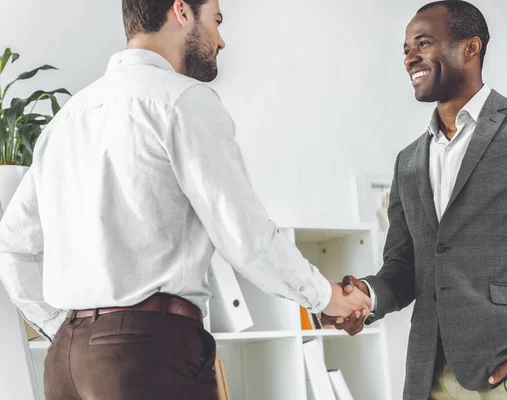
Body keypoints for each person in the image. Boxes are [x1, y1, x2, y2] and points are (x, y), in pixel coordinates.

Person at [0, 0, 370, 399]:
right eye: (216, 21)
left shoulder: (67, 120)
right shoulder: (180, 100)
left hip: (65, 364)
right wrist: (328, 297)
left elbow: (14, 246)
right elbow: (245, 237)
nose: (221, 40)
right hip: (148, 357)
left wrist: (64, 327)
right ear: (181, 10)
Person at [324, 1, 507, 399]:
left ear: (470, 48)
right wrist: (365, 297)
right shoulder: (409, 161)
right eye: (405, 49)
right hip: (428, 376)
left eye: (423, 42)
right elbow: (404, 268)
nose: (410, 57)